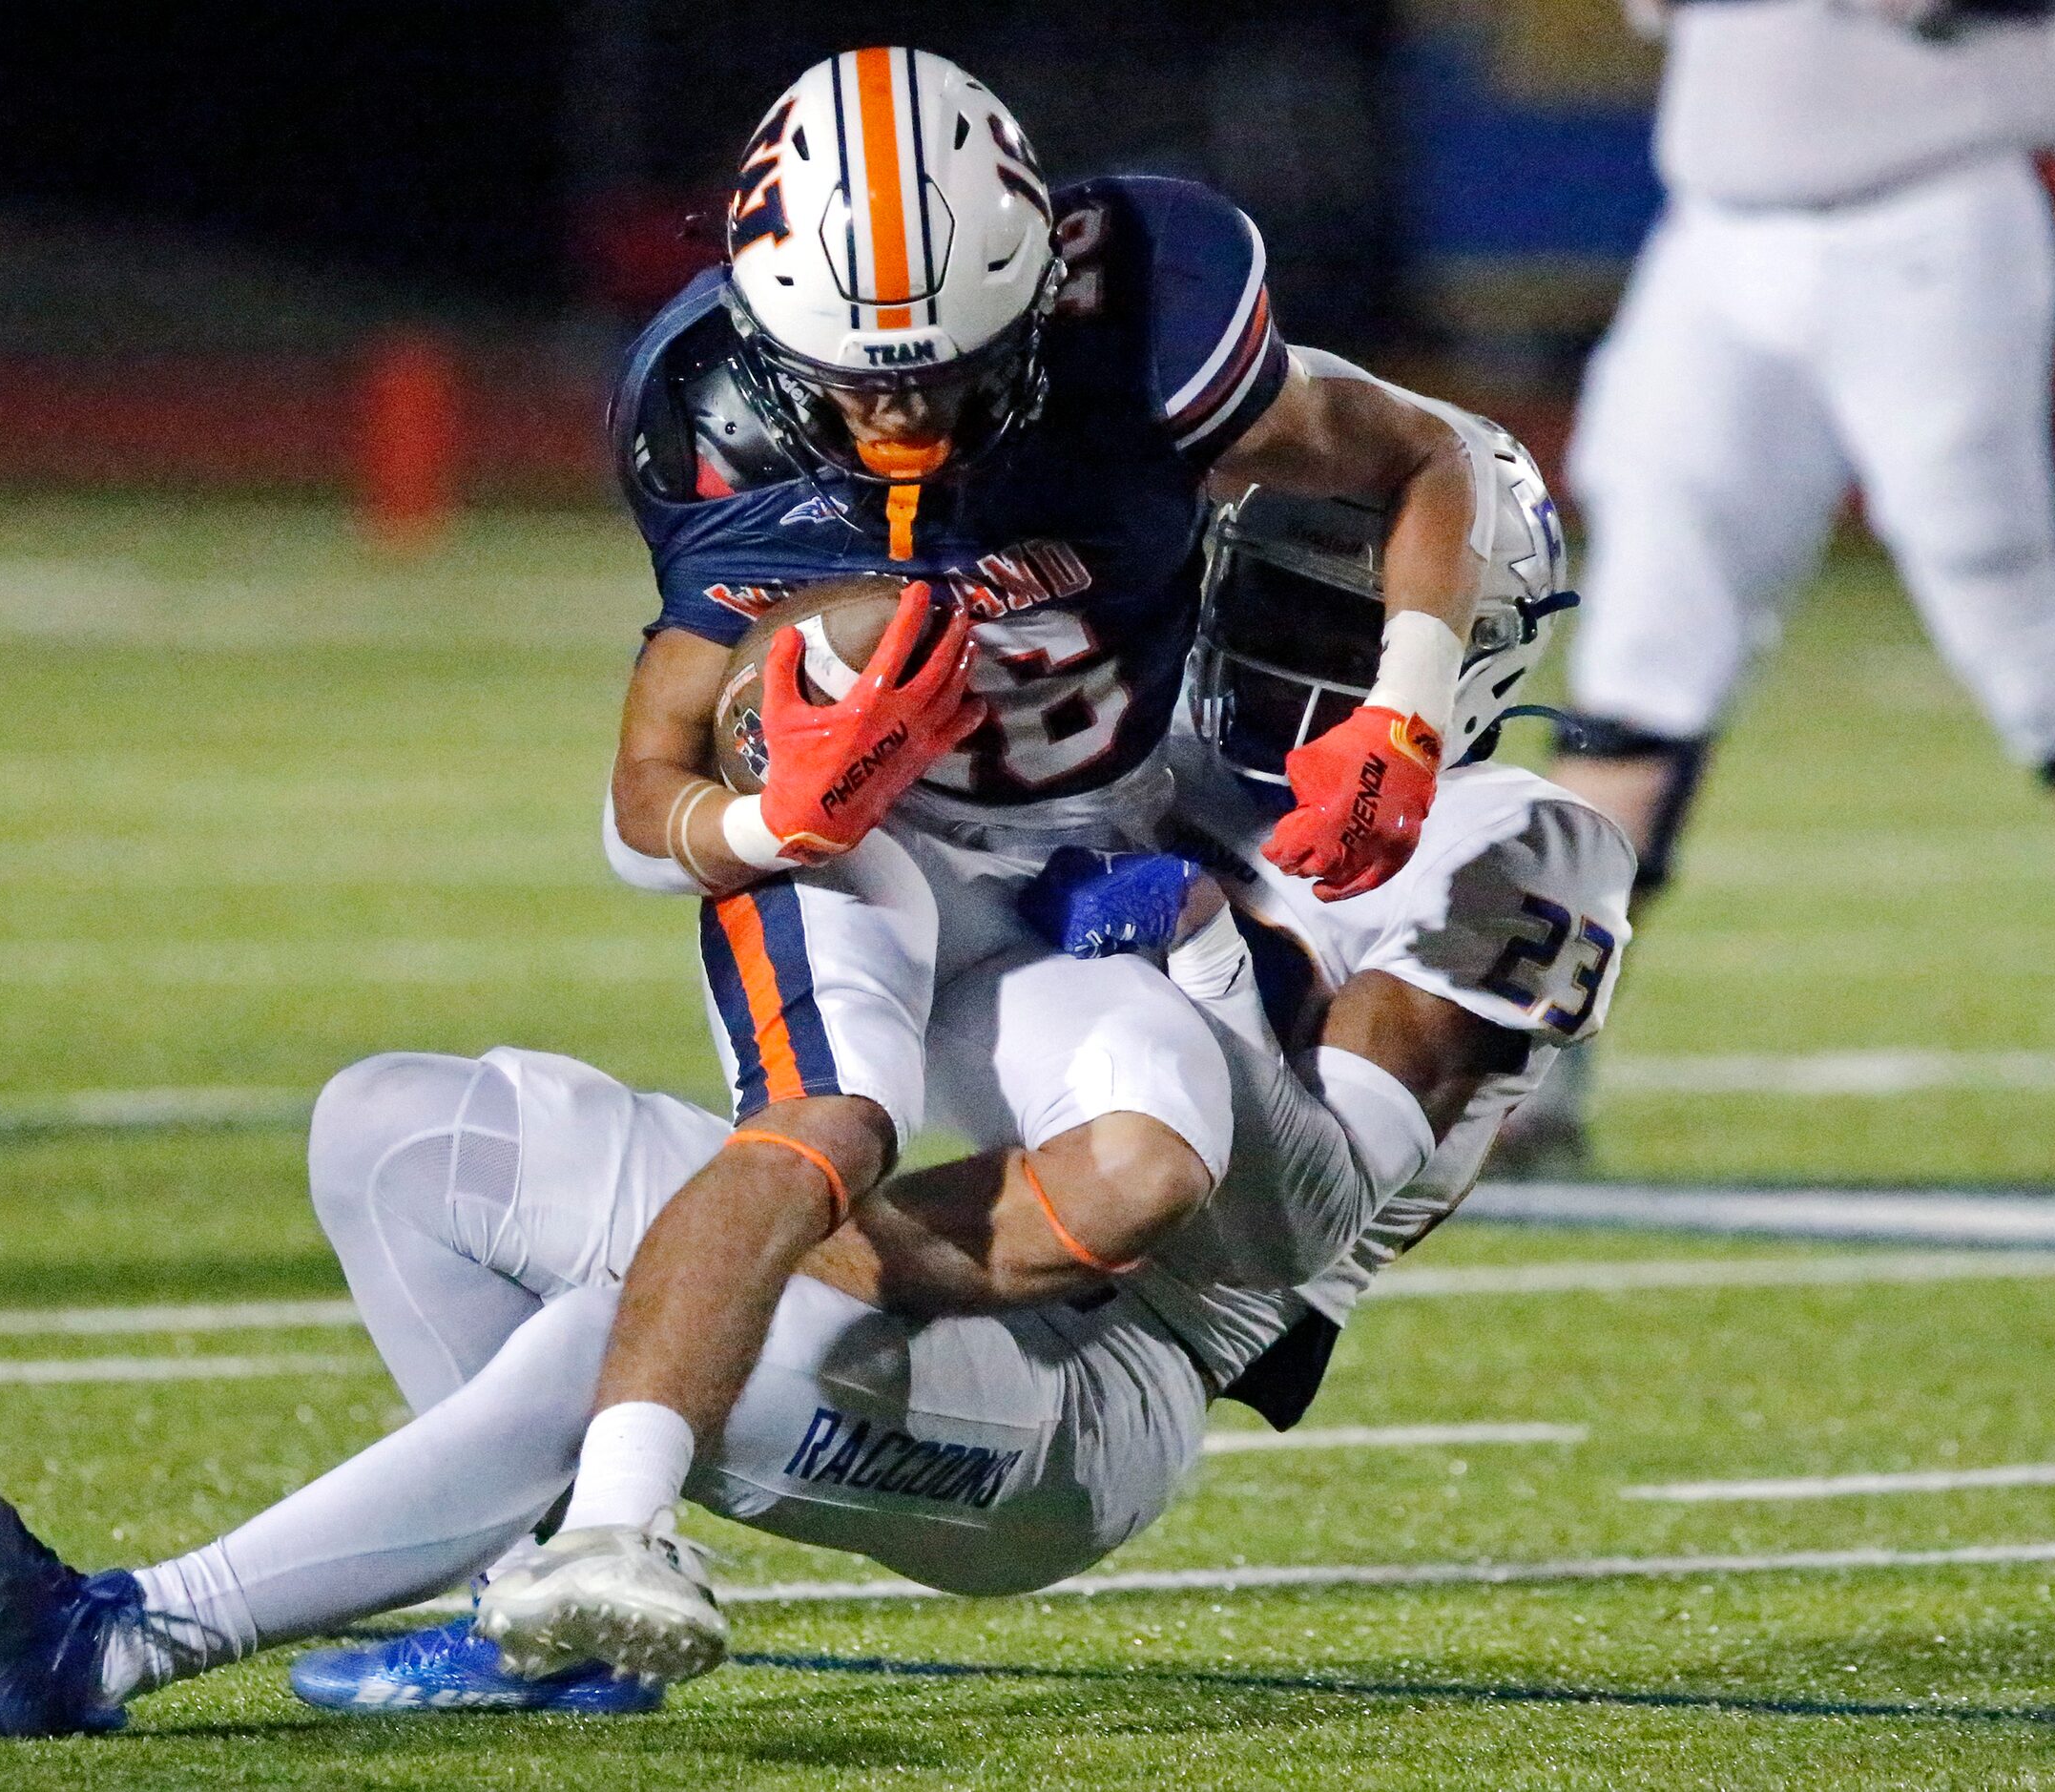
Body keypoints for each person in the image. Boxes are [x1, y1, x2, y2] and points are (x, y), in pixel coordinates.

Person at [0, 441, 1634, 1736]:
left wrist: (1195, 948)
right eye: (1263, 597)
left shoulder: (1505, 839)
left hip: (1103, 1375)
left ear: (1452, 648)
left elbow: (1293, 1231)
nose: (1278, 652)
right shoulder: (1160, 746)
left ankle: (121, 1632)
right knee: (402, 1130)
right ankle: (551, 1615)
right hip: (983, 1227)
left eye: (1340, 618)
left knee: (639, 1325)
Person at [565, 40, 1505, 1675]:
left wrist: (1407, 712)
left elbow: (1425, 454)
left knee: (1156, 1151)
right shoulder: (708, 403)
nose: (899, 411)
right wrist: (769, 822)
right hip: (869, 846)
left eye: (939, 369)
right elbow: (641, 789)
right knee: (829, 1113)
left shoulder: (1149, 304)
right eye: (855, 378)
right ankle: (609, 1518)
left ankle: (674, 1278)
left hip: (1094, 853)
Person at [1503, 0, 2055, 1177]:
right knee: (1634, 666)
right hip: (1720, 232)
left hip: (1956, 205)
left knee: (2052, 666)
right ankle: (1524, 1074)